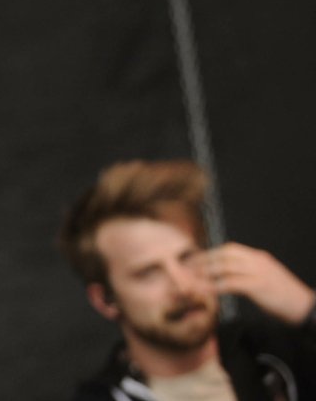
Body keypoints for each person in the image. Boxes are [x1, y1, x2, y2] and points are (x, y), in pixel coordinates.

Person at [59, 159, 316, 401]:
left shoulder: (274, 354)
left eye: (187, 257)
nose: (183, 286)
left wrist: (308, 309)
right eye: (148, 272)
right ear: (105, 300)